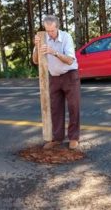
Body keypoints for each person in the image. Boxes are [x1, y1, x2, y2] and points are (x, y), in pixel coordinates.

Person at [33, 15, 81, 150]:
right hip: (54, 77)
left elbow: (70, 60)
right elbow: (36, 61)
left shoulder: (66, 37)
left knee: (73, 107)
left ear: (57, 27)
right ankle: (57, 138)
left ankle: (73, 137)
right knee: (55, 108)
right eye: (47, 30)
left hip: (70, 75)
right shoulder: (42, 38)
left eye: (52, 30)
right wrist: (37, 47)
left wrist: (54, 52)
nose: (50, 34)